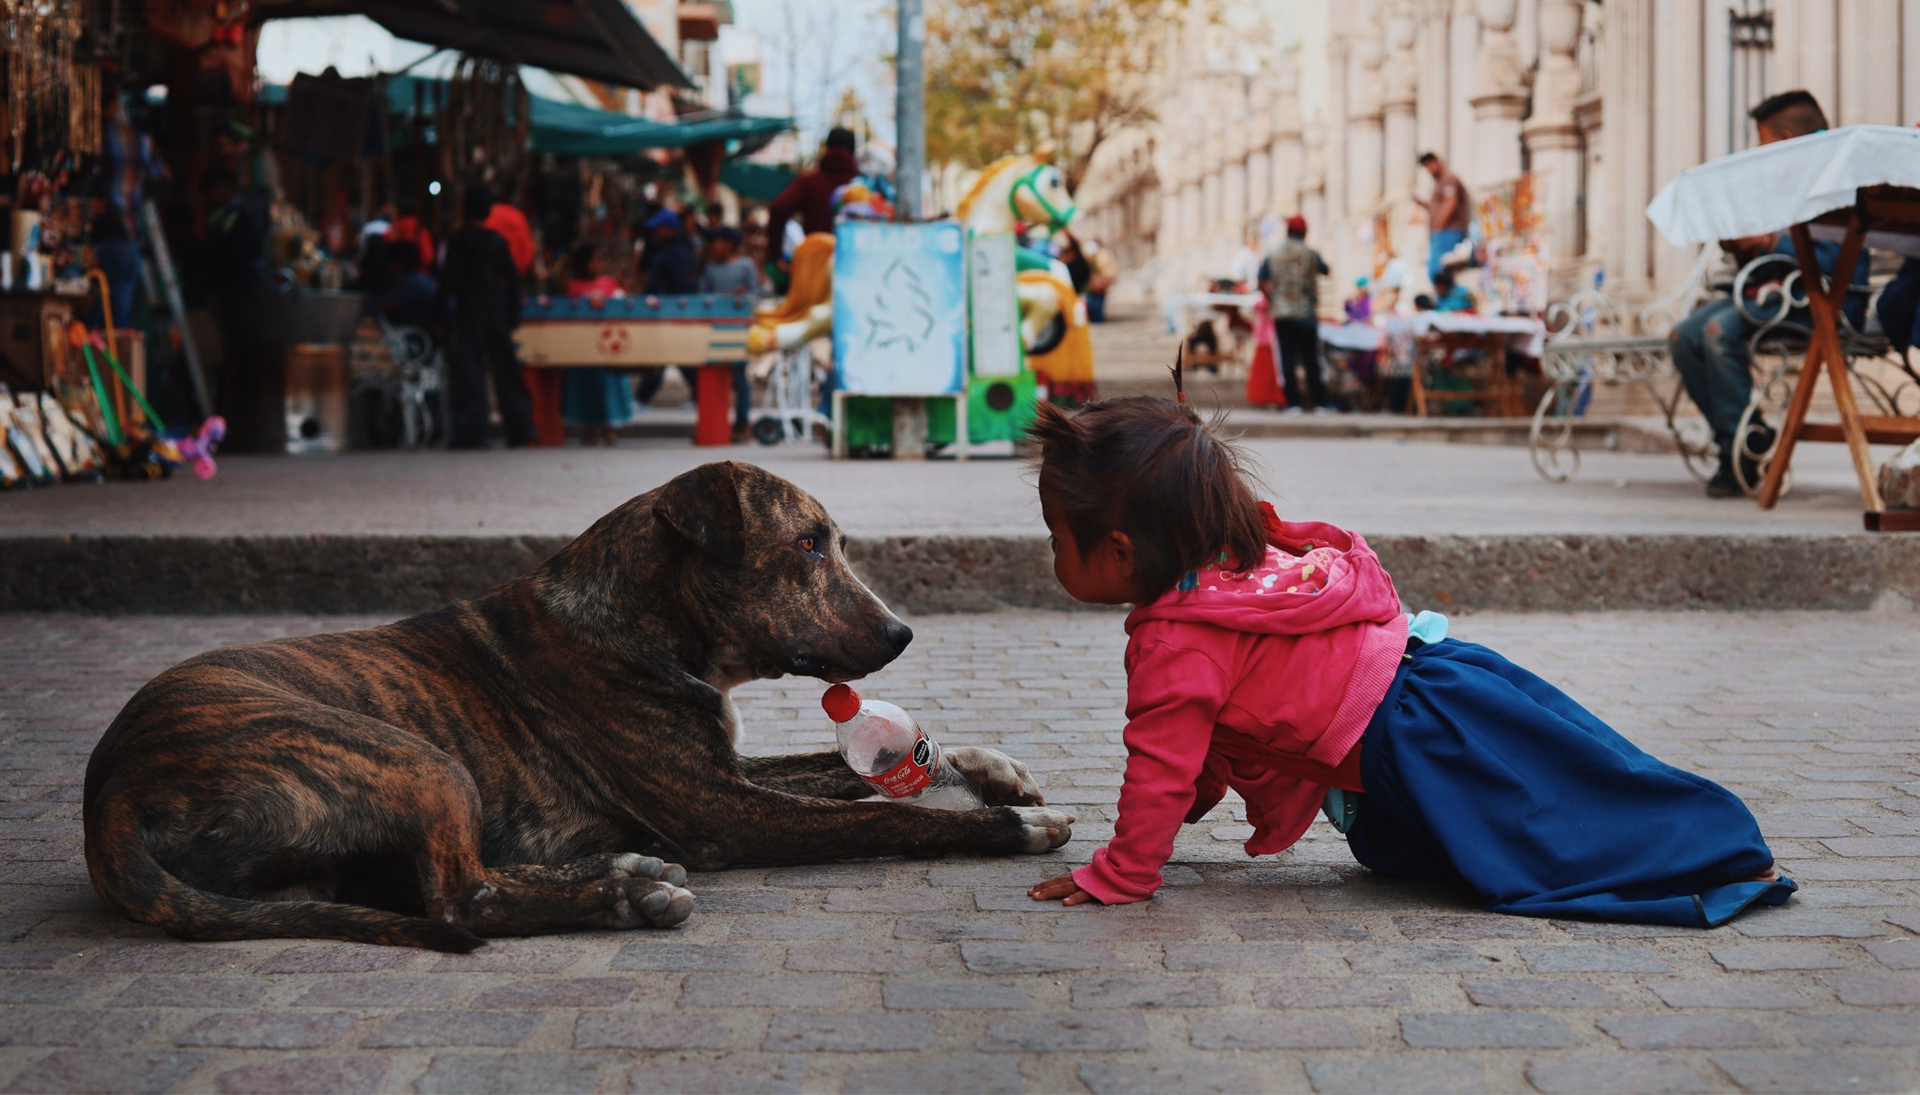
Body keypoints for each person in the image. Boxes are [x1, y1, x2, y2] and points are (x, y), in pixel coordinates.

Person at [1021, 389, 1795, 927]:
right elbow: (1201, 748)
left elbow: (1163, 759)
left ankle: (1721, 856)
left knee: (1553, 834)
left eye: (1059, 538)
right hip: (1442, 682)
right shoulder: (1227, 574)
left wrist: (1124, 870)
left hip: (1419, 737)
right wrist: (1174, 815)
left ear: (1119, 551)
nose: (1054, 552)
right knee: (1587, 778)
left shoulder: (1174, 636)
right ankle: (1716, 847)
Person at [1670, 89, 1870, 498]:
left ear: (1782, 140)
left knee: (1713, 331)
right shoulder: (1782, 185)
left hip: (1822, 302)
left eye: (1762, 143)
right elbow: (1766, 263)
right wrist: (1742, 246)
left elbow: (1839, 259)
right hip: (1771, 297)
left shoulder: (1841, 180)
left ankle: (1737, 451)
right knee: (1682, 336)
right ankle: (1745, 436)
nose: (1759, 153)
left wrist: (1768, 242)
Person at [438, 186, 532, 449]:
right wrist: (513, 315)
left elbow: (448, 282)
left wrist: (440, 316)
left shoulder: (457, 241)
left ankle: (475, 432)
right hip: (496, 312)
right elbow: (513, 281)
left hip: (469, 313)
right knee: (506, 372)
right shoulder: (498, 241)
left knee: (471, 373)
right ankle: (519, 429)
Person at [560, 243, 633, 447]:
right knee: (585, 387)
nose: (598, 264)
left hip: (608, 348)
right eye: (594, 259)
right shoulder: (574, 286)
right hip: (582, 348)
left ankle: (609, 428)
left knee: (609, 385)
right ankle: (589, 427)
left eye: (600, 259)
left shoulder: (610, 284)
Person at [1258, 214, 1332, 413]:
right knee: (1310, 358)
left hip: (1283, 313)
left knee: (1287, 358)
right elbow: (1326, 270)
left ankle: (1293, 403)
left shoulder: (1273, 253)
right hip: (1306, 312)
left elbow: (1262, 279)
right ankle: (1319, 402)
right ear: (1304, 232)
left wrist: (1274, 299)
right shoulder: (1310, 253)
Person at [698, 226, 762, 441]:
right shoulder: (710, 269)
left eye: (717, 242)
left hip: (738, 331)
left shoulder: (746, 266)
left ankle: (742, 424)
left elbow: (756, 296)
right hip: (713, 331)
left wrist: (745, 296)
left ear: (728, 243)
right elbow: (702, 297)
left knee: (740, 380)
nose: (713, 247)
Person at [764, 127, 861, 267]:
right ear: (853, 152)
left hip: (815, 263)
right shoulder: (862, 184)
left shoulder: (809, 182)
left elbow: (778, 208)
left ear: (826, 149)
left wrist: (775, 254)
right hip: (854, 263)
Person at [633, 207, 698, 407]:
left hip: (670, 311)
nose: (655, 233)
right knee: (671, 356)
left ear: (667, 229)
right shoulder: (672, 248)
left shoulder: (677, 251)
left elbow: (678, 283)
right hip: (667, 310)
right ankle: (698, 395)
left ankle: (642, 398)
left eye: (658, 229)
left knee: (665, 355)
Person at [1413, 152, 1471, 283]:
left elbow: (1451, 202)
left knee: (1440, 272)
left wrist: (1438, 226)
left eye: (1429, 165)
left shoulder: (1448, 179)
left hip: (1448, 231)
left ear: (1437, 162)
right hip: (1440, 232)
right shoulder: (1439, 183)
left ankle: (1450, 301)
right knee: (1436, 272)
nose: (1428, 170)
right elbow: (1436, 208)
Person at [368, 240, 440, 332]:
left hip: (420, 334)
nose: (387, 266)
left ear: (399, 263)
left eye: (389, 262)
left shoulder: (411, 283)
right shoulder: (415, 277)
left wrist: (363, 306)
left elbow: (384, 305)